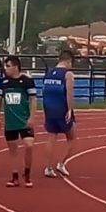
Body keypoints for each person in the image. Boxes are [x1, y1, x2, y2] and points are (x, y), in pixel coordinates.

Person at [0, 55, 37, 188]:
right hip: (10, 122)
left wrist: (32, 117)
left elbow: (33, 99)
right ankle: (14, 176)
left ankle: (27, 173)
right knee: (13, 150)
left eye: (8, 66)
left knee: (29, 145)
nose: (6, 69)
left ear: (15, 67)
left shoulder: (27, 81)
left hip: (24, 120)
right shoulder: (3, 82)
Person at [41, 49, 77, 178]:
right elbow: (69, 93)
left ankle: (48, 167)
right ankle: (61, 163)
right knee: (72, 137)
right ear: (68, 61)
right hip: (62, 108)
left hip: (49, 108)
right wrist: (69, 109)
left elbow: (44, 92)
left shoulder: (49, 73)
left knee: (51, 137)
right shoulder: (68, 74)